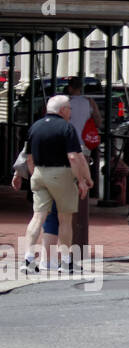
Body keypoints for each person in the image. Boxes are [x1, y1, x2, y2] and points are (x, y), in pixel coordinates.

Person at [21, 96, 93, 274]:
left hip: (39, 173)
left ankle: (28, 258)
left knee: (38, 217)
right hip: (61, 173)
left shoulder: (35, 127)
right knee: (65, 219)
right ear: (62, 110)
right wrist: (82, 180)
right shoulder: (66, 128)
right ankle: (67, 261)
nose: (70, 112)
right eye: (69, 108)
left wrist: (34, 175)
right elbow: (74, 157)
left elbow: (28, 157)